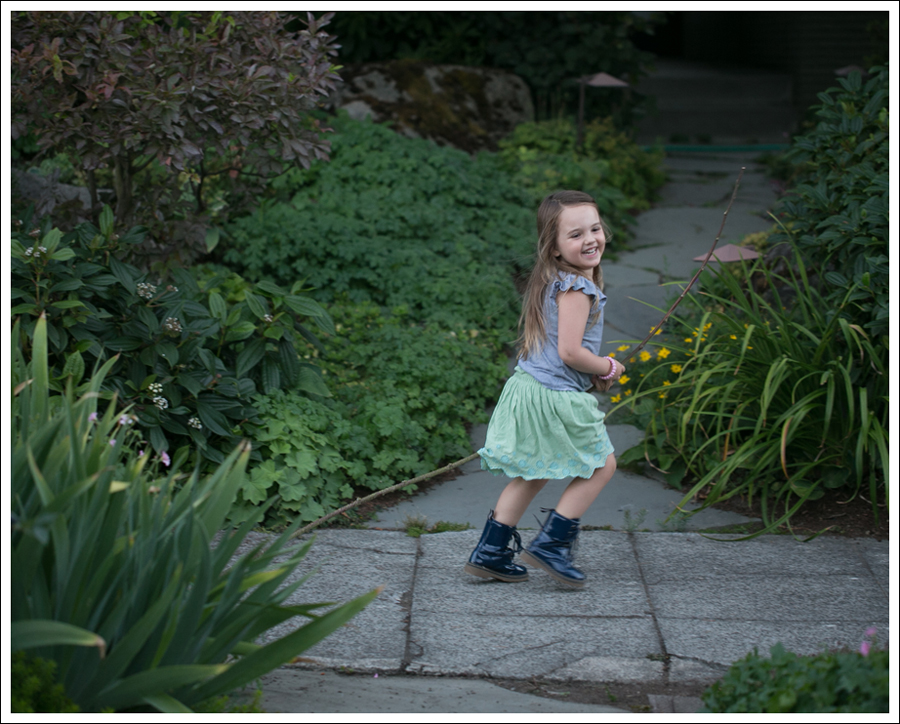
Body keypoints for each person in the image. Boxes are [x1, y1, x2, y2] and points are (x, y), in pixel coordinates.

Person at [464, 190, 625, 589]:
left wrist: (590, 375)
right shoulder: (578, 289)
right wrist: (606, 365)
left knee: (533, 470)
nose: (590, 239)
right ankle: (553, 545)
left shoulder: (554, 279)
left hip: (529, 386)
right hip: (552, 394)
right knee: (601, 465)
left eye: (595, 228)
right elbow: (570, 351)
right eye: (575, 235)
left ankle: (492, 551)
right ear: (554, 248)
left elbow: (560, 351)